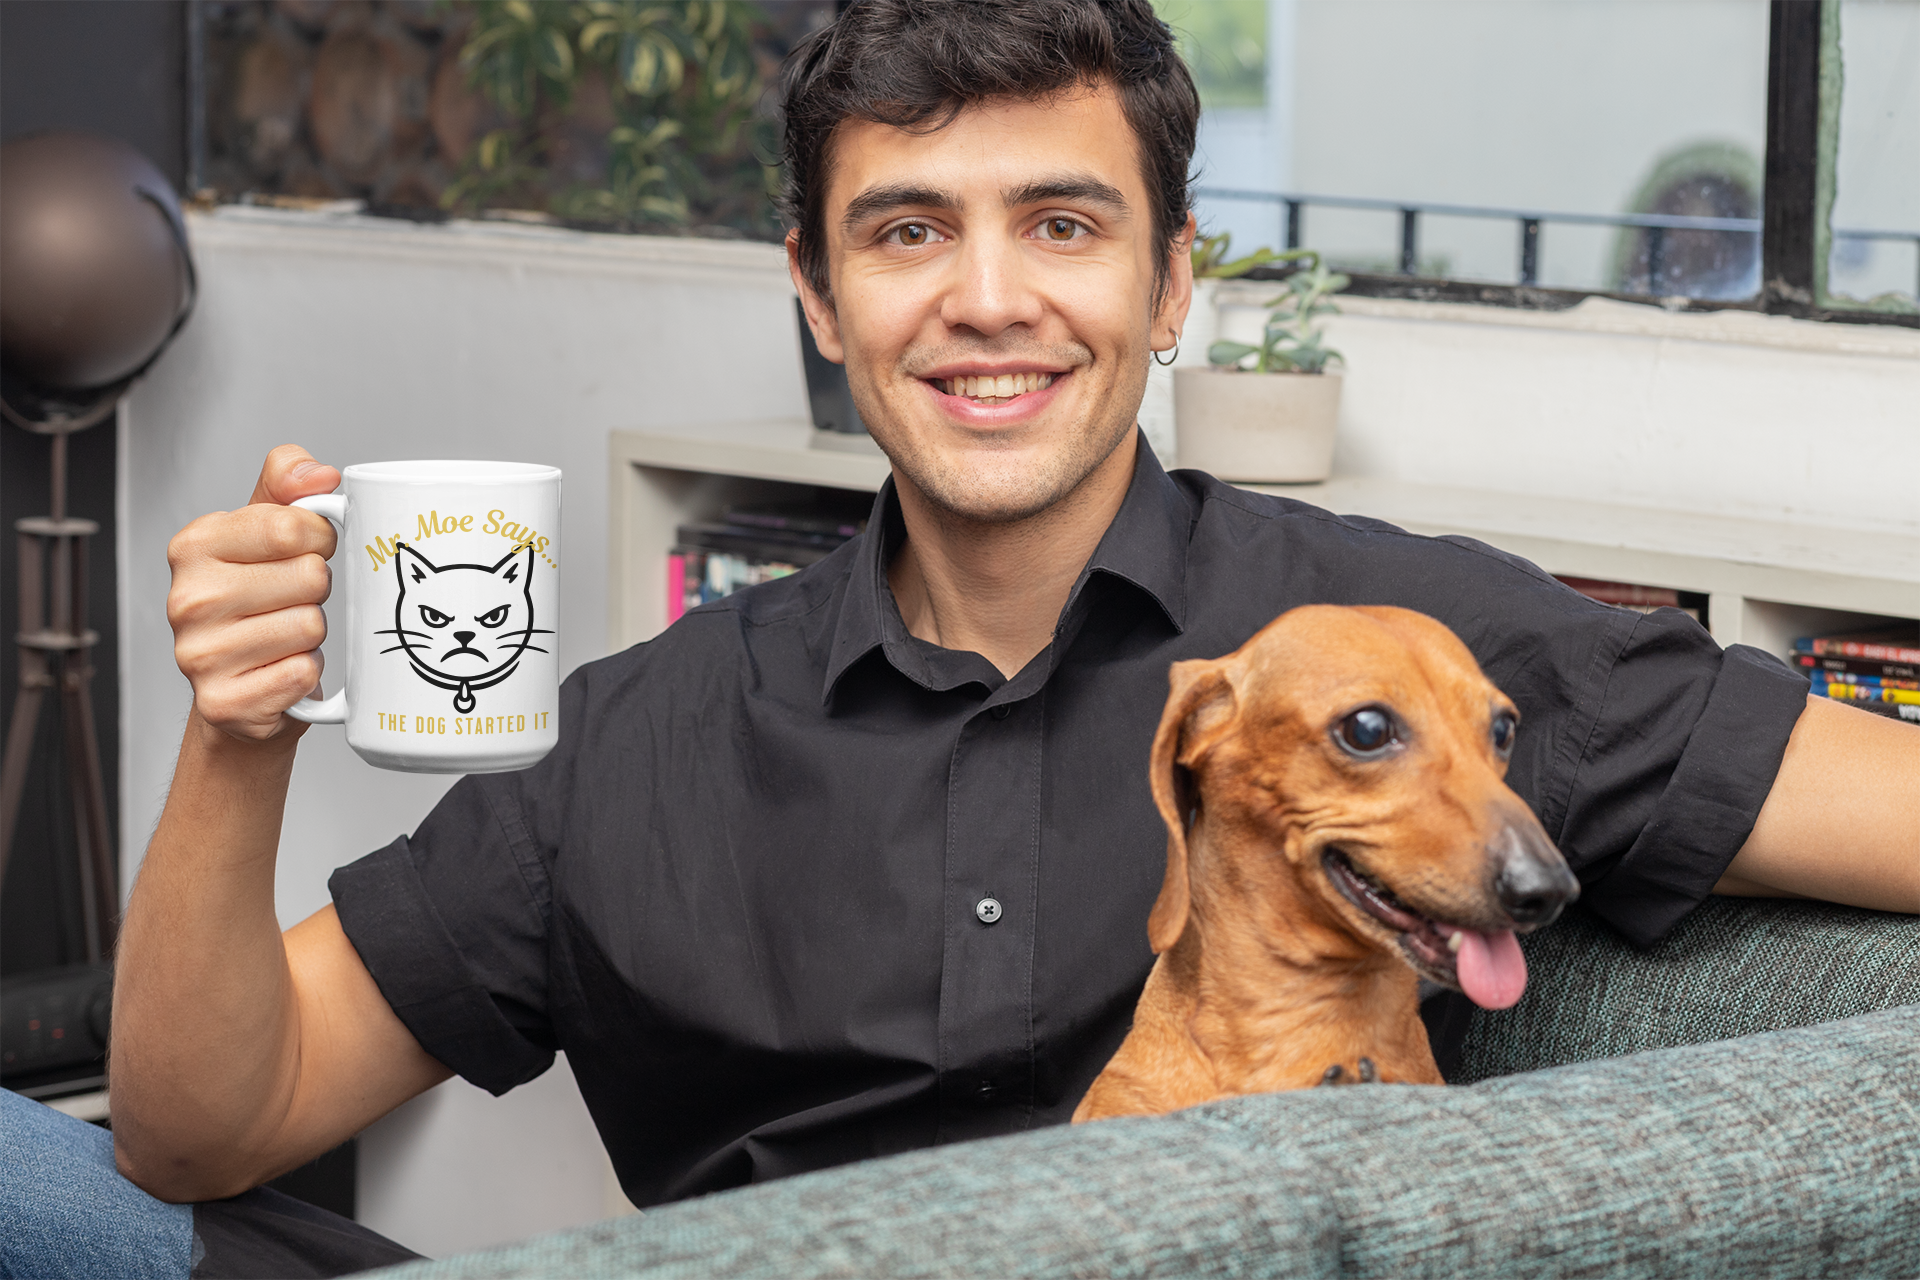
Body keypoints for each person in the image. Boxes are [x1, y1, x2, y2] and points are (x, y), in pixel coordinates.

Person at [8, 0, 1918, 1274]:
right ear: (819, 296)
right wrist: (240, 734)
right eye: (908, 231)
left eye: (1063, 226)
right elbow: (199, 1132)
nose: (988, 302)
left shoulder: (1397, 660)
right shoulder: (643, 733)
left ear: (1171, 283)